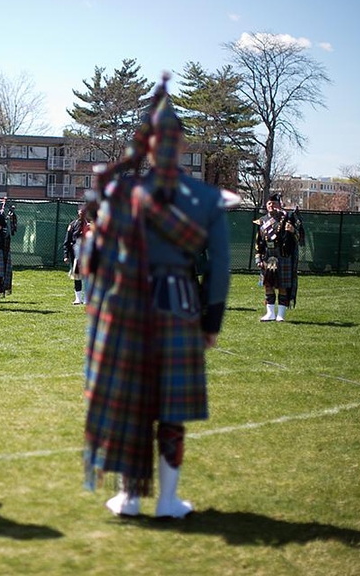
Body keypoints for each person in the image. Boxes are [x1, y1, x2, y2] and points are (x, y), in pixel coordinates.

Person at [82, 75, 232, 519]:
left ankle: (129, 497)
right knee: (171, 407)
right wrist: (210, 322)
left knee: (131, 402)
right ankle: (167, 500)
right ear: (183, 145)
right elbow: (219, 269)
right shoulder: (206, 197)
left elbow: (95, 255)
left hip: (127, 308)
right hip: (180, 307)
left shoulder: (122, 191)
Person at [253, 193, 304, 322]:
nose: (271, 205)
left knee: (283, 286)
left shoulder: (287, 218)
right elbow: (259, 242)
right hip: (268, 256)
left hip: (283, 255)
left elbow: (300, 238)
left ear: (279, 205)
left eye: (274, 203)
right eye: (269, 203)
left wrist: (293, 230)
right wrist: (258, 259)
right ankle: (270, 313)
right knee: (268, 285)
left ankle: (280, 315)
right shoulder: (262, 221)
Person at [63, 205, 90, 305]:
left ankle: (87, 298)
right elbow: (67, 241)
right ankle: (78, 299)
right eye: (80, 211)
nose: (82, 212)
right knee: (77, 277)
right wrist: (66, 255)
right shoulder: (73, 224)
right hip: (76, 255)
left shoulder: (90, 225)